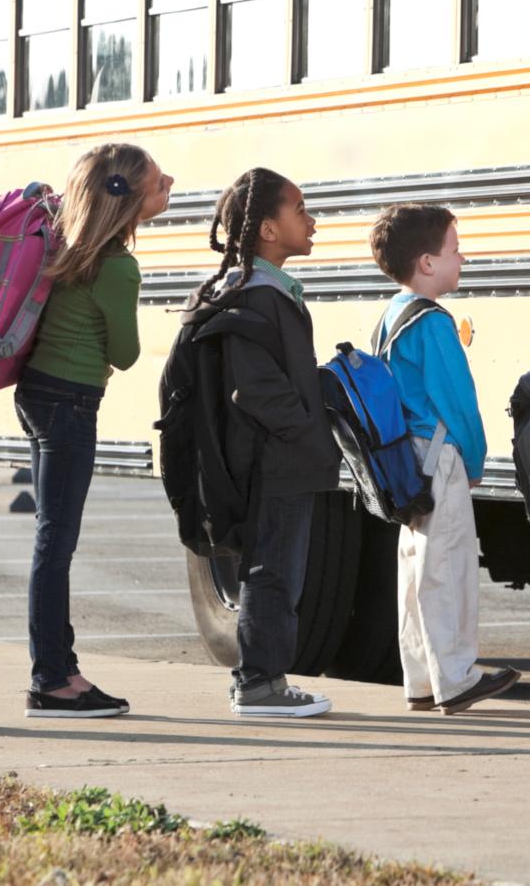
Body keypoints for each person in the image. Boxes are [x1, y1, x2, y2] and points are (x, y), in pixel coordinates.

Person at [16, 143, 172, 718]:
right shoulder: (118, 266)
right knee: (55, 546)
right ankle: (51, 680)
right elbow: (127, 354)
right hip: (71, 404)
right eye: (159, 184)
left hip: (36, 393)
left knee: (51, 540)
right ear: (128, 201)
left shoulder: (69, 246)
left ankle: (63, 668)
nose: (170, 183)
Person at [188, 167, 340, 717]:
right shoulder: (257, 297)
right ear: (269, 230)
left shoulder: (261, 291)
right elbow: (256, 389)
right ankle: (259, 684)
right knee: (275, 570)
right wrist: (310, 434)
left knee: (277, 570)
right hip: (276, 463)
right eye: (300, 209)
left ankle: (265, 679)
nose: (312, 220)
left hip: (277, 458)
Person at [369, 203, 518, 714]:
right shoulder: (434, 322)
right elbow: (458, 402)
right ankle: (456, 679)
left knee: (415, 569)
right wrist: (475, 461)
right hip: (440, 455)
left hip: (408, 458)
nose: (463, 259)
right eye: (455, 251)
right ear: (427, 263)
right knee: (449, 567)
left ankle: (422, 680)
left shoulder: (391, 314)